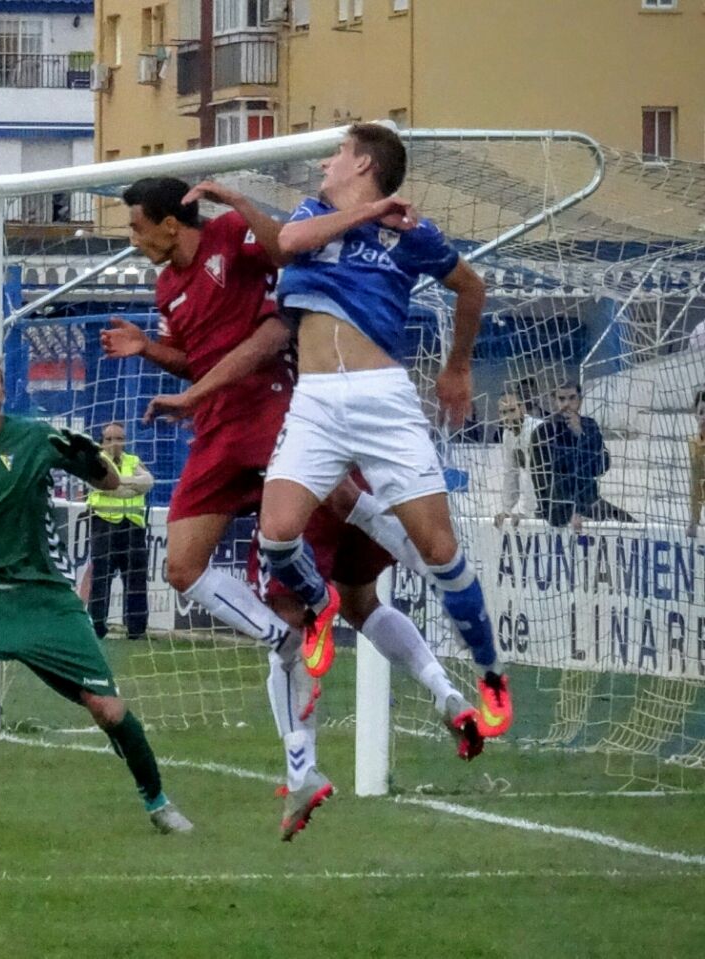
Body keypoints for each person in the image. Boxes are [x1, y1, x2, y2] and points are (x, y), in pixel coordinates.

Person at [119, 174, 436, 766]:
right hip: (215, 426)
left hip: (271, 402)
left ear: (169, 222)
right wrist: (147, 350)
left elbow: (277, 307)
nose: (132, 239)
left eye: (136, 226)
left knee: (339, 497)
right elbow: (197, 364)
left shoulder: (232, 234)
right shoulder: (167, 288)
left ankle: (432, 565)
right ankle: (278, 636)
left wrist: (240, 200)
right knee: (182, 566)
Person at [256, 122, 510, 737]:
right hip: (315, 401)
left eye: (338, 152)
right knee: (276, 536)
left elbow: (470, 286)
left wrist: (458, 367)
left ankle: (491, 677)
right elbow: (288, 241)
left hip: (383, 399)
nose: (325, 161)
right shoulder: (314, 214)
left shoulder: (412, 235)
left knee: (439, 551)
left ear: (364, 162)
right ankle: (320, 606)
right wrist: (369, 211)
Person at [0, 347, 191, 835]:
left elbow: (111, 481)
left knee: (106, 708)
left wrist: (91, 460)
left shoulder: (33, 436)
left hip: (45, 596)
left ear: (3, 391)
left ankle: (158, 803)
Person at [258, 487, 488, 840]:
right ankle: (444, 692)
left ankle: (301, 770)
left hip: (316, 490)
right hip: (374, 495)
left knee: (286, 623)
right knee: (361, 604)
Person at [83, 422, 155, 642]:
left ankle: (136, 629)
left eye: (120, 438)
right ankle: (97, 626)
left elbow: (148, 482)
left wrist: (121, 482)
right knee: (101, 577)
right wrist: (129, 485)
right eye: (110, 439)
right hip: (104, 524)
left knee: (136, 578)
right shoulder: (95, 460)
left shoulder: (132, 461)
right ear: (102, 442)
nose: (116, 443)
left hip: (132, 526)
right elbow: (101, 486)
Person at [532, 381, 634, 529]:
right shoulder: (543, 432)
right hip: (557, 507)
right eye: (562, 399)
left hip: (589, 502)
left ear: (580, 400)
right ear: (554, 401)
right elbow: (542, 479)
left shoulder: (589, 426)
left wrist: (580, 434)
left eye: (572, 398)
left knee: (632, 525)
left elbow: (601, 467)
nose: (567, 404)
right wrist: (569, 513)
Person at [492, 391, 542, 528]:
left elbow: (534, 475)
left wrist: (524, 512)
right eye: (503, 412)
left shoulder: (536, 429)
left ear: (523, 409)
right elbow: (510, 474)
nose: (508, 417)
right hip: (536, 503)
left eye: (512, 410)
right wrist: (506, 511)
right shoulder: (507, 434)